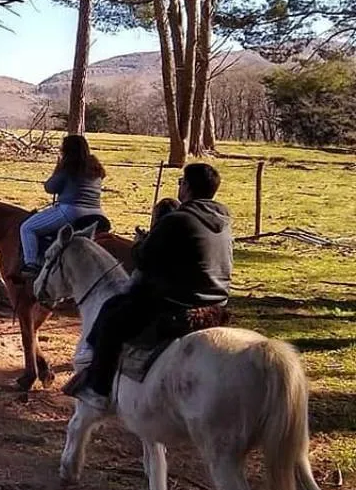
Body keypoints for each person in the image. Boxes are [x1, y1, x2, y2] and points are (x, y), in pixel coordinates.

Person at [65, 162, 233, 410]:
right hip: (217, 301)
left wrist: (140, 242)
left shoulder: (177, 219)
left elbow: (143, 258)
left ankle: (98, 389)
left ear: (187, 187)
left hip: (180, 303)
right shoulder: (223, 221)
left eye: (181, 182)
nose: (179, 186)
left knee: (112, 315)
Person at [19, 134, 106, 278]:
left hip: (71, 210)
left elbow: (50, 187)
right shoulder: (95, 169)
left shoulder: (68, 168)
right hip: (97, 212)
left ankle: (31, 264)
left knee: (27, 228)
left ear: (67, 150)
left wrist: (58, 168)